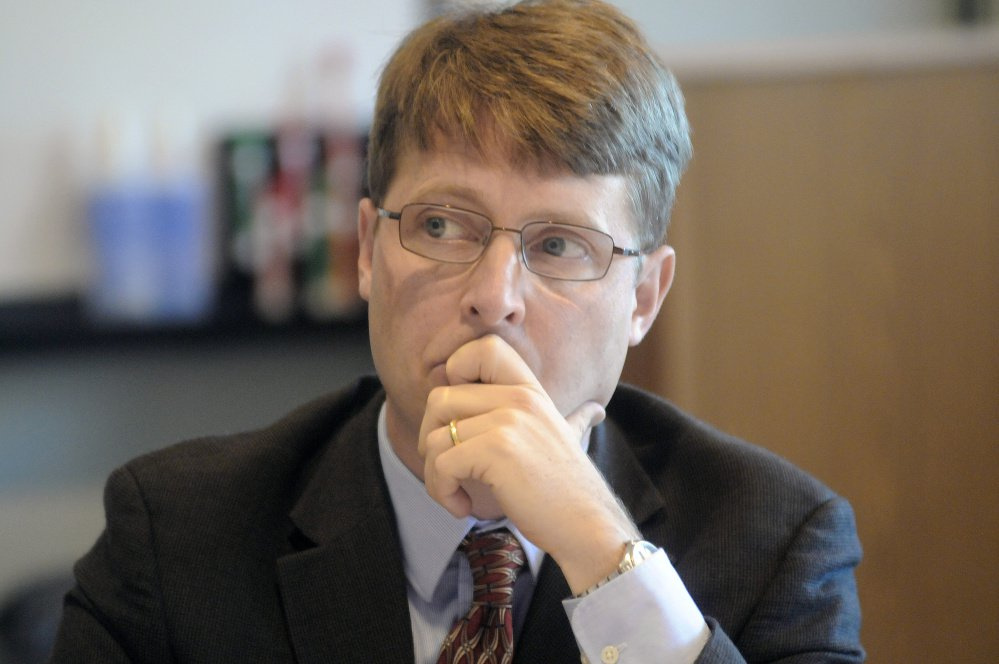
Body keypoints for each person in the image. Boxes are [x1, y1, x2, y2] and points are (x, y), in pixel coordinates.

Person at [51, 1, 863, 662]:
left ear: (644, 296)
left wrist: (604, 555)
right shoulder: (176, 532)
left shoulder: (775, 541)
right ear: (368, 249)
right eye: (441, 225)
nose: (493, 297)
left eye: (558, 246)